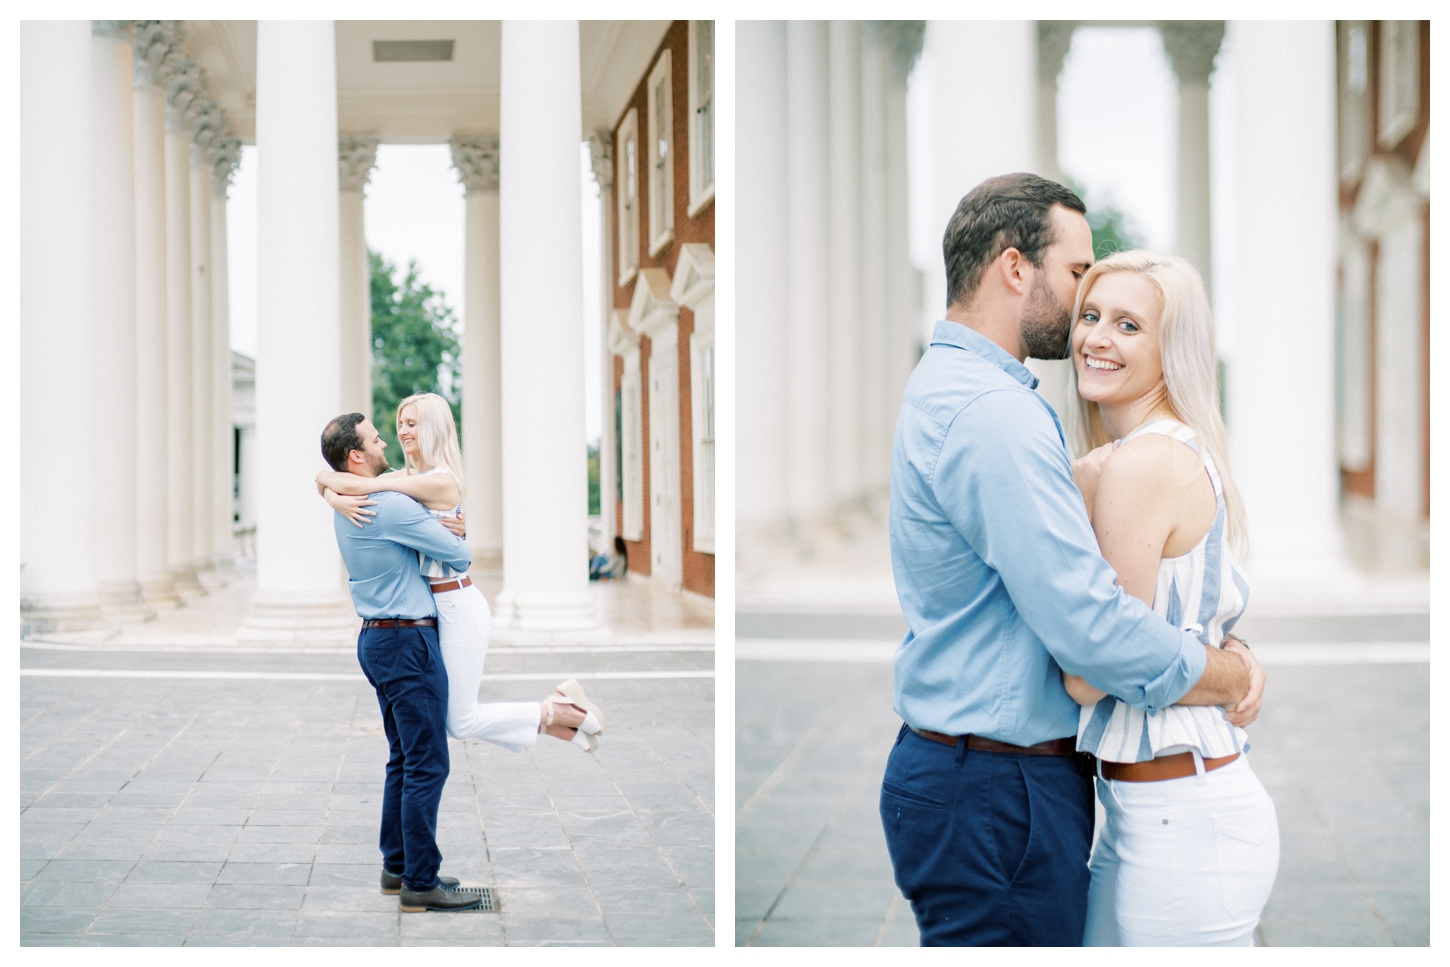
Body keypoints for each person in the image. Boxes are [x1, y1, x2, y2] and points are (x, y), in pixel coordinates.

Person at [881, 173, 1265, 947]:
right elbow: (1092, 636)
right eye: (1078, 278)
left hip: (996, 781)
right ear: (1015, 268)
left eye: (1125, 321)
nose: (1086, 310)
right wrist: (1231, 673)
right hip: (996, 786)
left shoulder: (960, 391)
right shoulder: (995, 412)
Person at [1062, 251, 1279, 946]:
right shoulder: (1147, 453)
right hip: (1149, 809)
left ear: (1170, 350)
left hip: (1181, 815)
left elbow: (1091, 673)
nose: (1097, 337)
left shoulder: (1143, 462)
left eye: (1128, 324)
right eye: (1090, 316)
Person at [317, 393, 606, 754]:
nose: (402, 432)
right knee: (456, 720)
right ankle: (558, 721)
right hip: (438, 607)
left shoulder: (438, 480)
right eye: (400, 424)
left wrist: (334, 491)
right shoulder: (408, 477)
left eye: (413, 423)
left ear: (434, 428)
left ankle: (557, 712)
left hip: (458, 601)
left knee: (459, 720)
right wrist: (332, 493)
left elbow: (366, 485)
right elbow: (343, 476)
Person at [319, 411, 481, 912]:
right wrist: (450, 529)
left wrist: (325, 485)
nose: (385, 439)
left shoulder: (349, 505)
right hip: (407, 643)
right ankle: (420, 880)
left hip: (377, 639)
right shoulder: (388, 506)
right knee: (428, 762)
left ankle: (398, 866)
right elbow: (460, 557)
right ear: (356, 457)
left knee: (404, 758)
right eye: (375, 438)